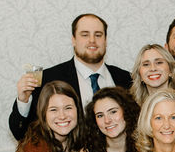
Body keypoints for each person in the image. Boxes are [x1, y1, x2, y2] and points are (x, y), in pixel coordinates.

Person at [9, 13, 132, 141]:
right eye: (85, 35)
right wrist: (23, 100)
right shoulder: (47, 79)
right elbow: (20, 133)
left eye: (98, 35)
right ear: (73, 40)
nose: (92, 40)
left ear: (105, 40)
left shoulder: (126, 78)